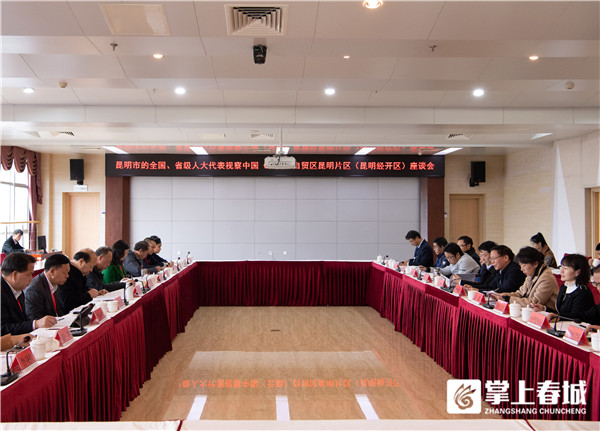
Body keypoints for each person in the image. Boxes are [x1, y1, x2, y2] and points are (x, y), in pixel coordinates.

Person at [1, 253, 56, 335]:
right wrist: (35, 324)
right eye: (29, 274)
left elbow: (22, 321)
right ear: (15, 274)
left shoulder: (18, 290)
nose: (31, 279)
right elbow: (3, 329)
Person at [535, 254, 594, 318]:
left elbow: (576, 316)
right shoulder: (564, 287)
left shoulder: (582, 291)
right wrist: (544, 309)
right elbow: (561, 313)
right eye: (561, 267)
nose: (561, 271)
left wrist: (558, 316)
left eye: (565, 268)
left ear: (577, 272)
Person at [24, 253, 71, 319]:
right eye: (64, 272)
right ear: (52, 271)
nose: (67, 276)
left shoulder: (55, 284)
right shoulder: (35, 289)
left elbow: (58, 312)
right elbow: (35, 318)